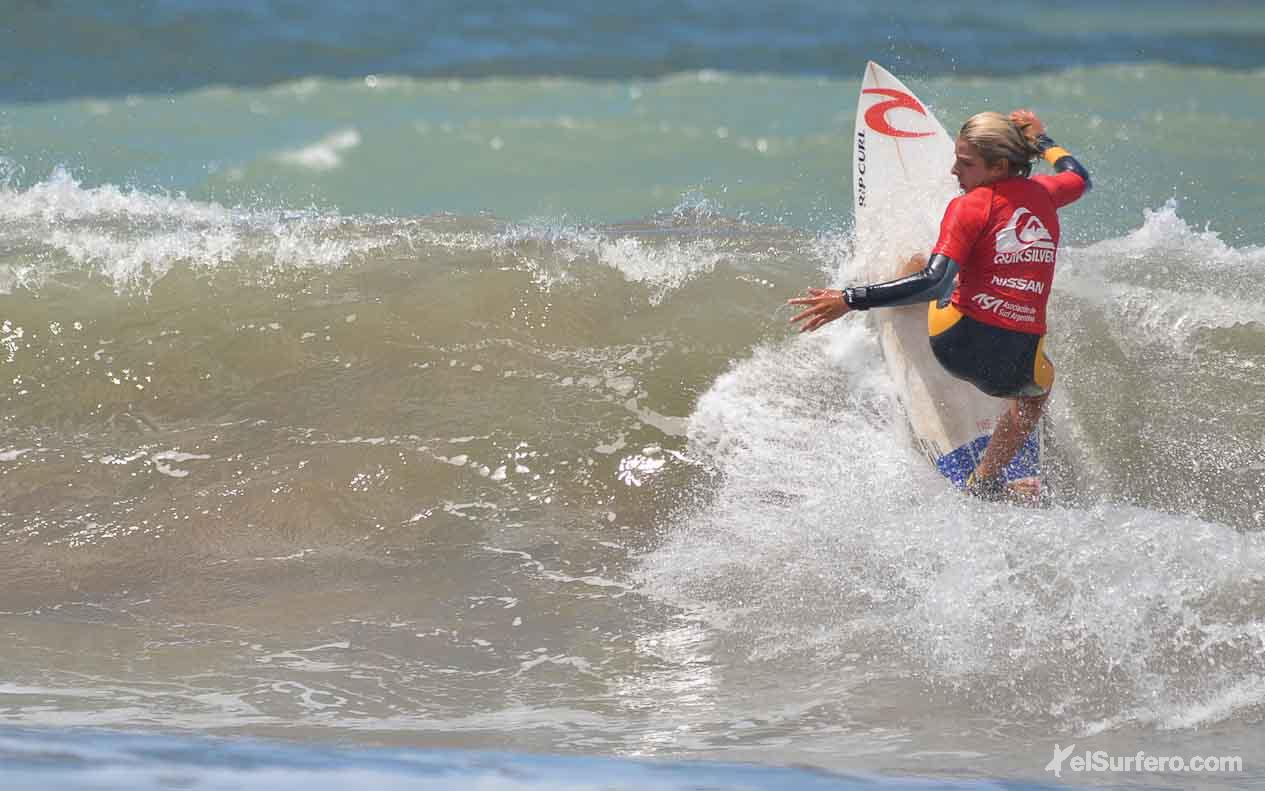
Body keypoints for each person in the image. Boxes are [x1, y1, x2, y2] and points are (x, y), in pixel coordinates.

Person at [788, 109, 1090, 501]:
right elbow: (1081, 176)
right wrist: (1044, 140)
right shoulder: (1047, 193)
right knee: (1036, 391)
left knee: (923, 262)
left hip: (957, 345)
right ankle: (986, 477)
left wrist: (850, 299)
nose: (953, 171)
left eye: (965, 163)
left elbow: (934, 283)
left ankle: (900, 293)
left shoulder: (970, 206)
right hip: (1016, 367)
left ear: (999, 166)